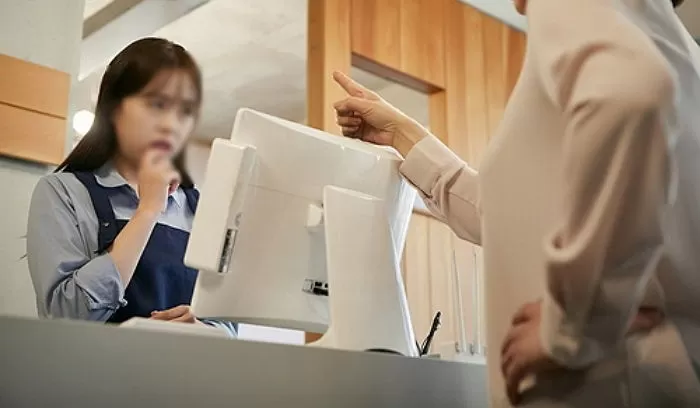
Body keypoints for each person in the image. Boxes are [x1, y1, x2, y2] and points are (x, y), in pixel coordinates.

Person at [332, 0, 700, 406]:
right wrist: (401, 133)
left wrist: (570, 327)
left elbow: (633, 94)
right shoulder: (674, 45)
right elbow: (510, 220)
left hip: (604, 384)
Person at [26, 38, 235, 335]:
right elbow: (64, 315)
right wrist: (148, 210)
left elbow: (230, 324)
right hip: (94, 380)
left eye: (185, 111)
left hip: (189, 378)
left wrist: (201, 330)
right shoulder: (62, 193)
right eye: (157, 104)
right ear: (113, 108)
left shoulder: (203, 209)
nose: (171, 124)